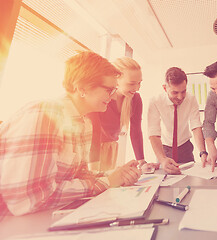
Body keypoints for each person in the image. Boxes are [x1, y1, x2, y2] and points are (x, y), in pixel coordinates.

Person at [0, 52, 141, 219]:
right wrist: (108, 182)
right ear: (81, 88)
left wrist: (115, 174)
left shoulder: (84, 123)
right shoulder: (44, 114)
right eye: (109, 90)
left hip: (41, 217)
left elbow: (79, 175)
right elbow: (30, 199)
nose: (111, 97)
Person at [90, 57, 158, 172]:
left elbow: (135, 131)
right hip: (93, 150)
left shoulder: (135, 99)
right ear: (116, 79)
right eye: (131, 84)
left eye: (139, 83)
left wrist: (141, 162)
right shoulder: (103, 99)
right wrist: (93, 169)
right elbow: (94, 133)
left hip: (111, 148)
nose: (137, 88)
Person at [147, 67, 208, 174]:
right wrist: (162, 159)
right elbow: (154, 133)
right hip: (164, 150)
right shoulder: (155, 101)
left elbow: (196, 126)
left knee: (189, 180)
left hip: (185, 148)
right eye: (175, 92)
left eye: (183, 91)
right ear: (165, 88)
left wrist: (203, 152)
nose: (180, 97)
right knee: (166, 183)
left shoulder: (191, 99)